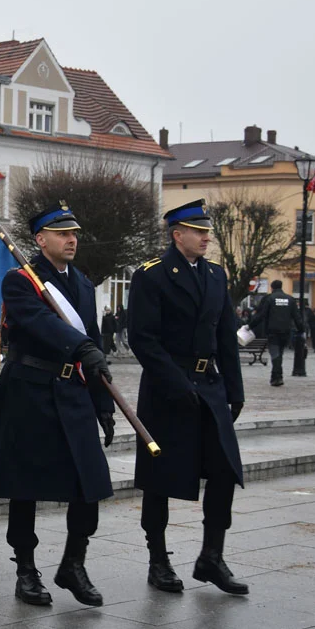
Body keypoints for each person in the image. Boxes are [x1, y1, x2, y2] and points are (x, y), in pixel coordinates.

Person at [0, 203, 115, 608]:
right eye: (62, 234)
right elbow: (42, 323)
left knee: (89, 482)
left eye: (74, 233)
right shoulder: (20, 280)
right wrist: (83, 347)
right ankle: (26, 569)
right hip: (29, 390)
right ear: (41, 240)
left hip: (72, 391)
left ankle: (73, 563)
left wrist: (103, 406)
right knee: (25, 489)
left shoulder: (84, 285)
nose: (71, 239)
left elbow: (90, 343)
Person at [127, 198, 248, 596]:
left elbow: (225, 335)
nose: (206, 237)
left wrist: (234, 388)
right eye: (199, 231)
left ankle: (211, 557)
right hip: (167, 390)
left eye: (207, 231)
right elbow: (143, 339)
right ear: (177, 234)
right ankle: (157, 560)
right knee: (159, 480)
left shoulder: (215, 276)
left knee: (225, 472)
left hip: (209, 386)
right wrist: (177, 385)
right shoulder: (152, 276)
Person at [245, 280, 304, 387]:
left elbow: (261, 315)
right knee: (279, 353)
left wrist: (250, 325)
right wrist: (301, 329)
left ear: (272, 288)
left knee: (275, 354)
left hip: (272, 331)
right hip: (286, 331)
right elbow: (297, 317)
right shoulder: (290, 299)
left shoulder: (269, 299)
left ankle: (277, 377)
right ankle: (275, 376)